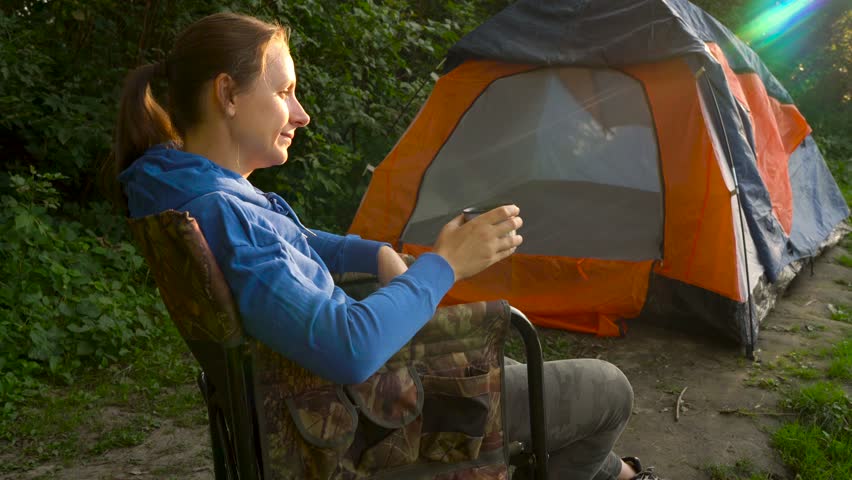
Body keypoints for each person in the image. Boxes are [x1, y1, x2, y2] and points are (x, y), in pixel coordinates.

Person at [108, 12, 660, 480]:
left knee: (547, 395)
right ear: (227, 94)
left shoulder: (183, 185)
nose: (301, 114)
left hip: (315, 396)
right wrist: (443, 265)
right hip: (364, 418)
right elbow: (348, 349)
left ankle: (616, 475)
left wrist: (372, 253)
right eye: (283, 93)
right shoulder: (224, 214)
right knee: (608, 390)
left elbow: (298, 241)